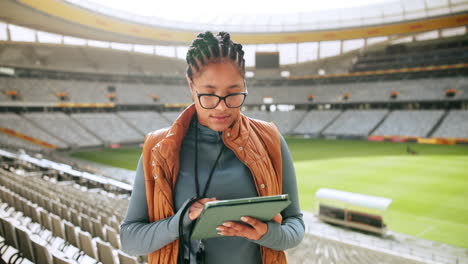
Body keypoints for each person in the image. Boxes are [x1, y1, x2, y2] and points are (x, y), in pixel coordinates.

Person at [120, 31, 304, 264]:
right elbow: (129, 239)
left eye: (233, 93)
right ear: (191, 86)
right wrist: (182, 219)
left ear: (245, 85)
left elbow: (295, 225)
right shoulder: (158, 149)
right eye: (209, 94)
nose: (221, 107)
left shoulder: (270, 139)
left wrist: (268, 234)